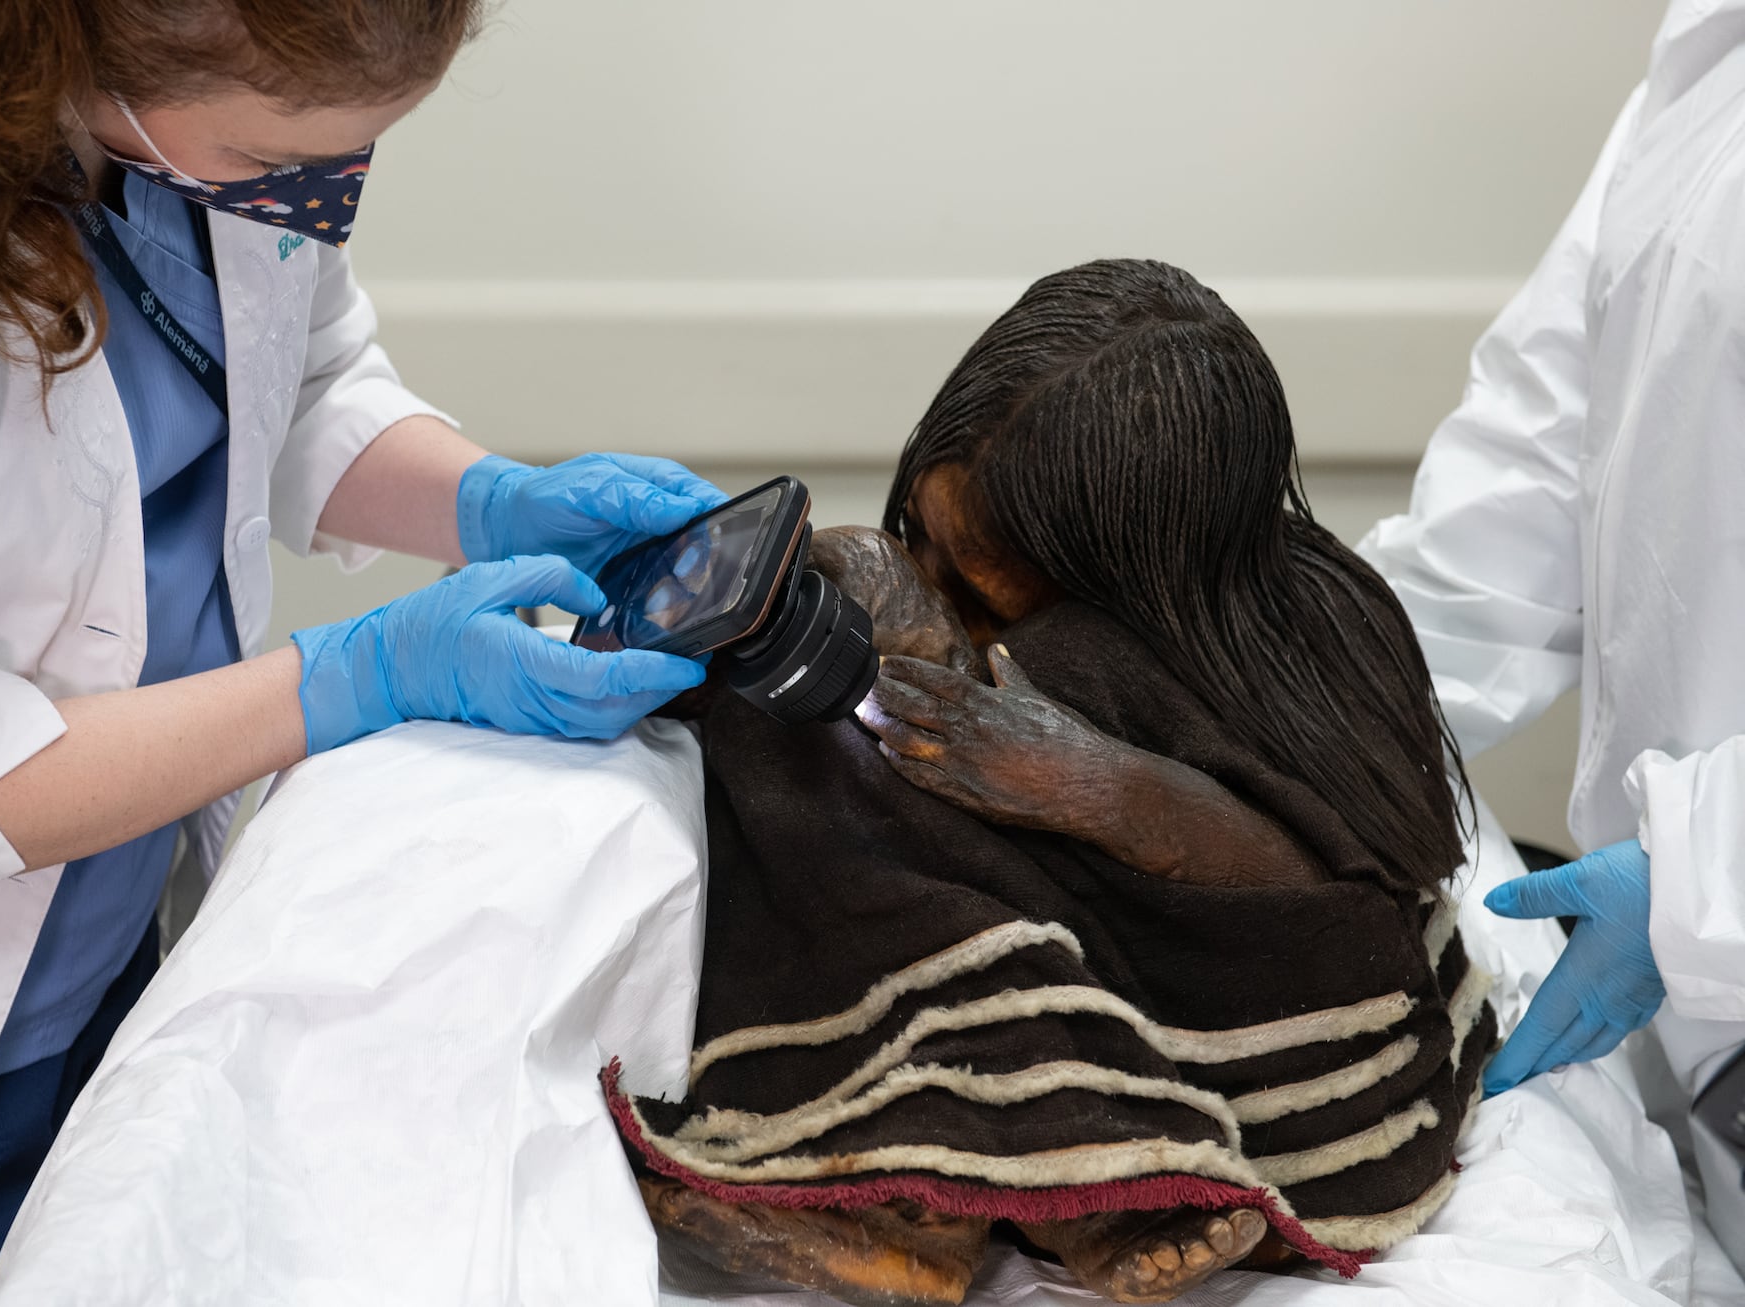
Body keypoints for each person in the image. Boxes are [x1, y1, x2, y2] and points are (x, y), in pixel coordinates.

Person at [0, 2, 722, 1303]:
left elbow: (303, 383)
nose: (321, 192)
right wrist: (355, 677)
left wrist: (495, 499)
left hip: (113, 947)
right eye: (272, 161)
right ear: (70, 43)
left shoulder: (194, 142)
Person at [611, 261, 1491, 1306]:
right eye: (922, 537)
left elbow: (1330, 898)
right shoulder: (1032, 617)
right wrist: (859, 576)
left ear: (1132, 573)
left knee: (852, 794)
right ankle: (982, 1194)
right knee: (813, 746)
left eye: (978, 584)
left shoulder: (1298, 632)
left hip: (1261, 1022)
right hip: (1088, 994)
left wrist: (1102, 788)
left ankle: (1016, 1188)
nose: (938, 590)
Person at [1356, 0, 1745, 1272]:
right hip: (1699, 1034)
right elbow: (1531, 455)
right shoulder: (1709, 63)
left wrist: (1703, 876)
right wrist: (1315, 691)